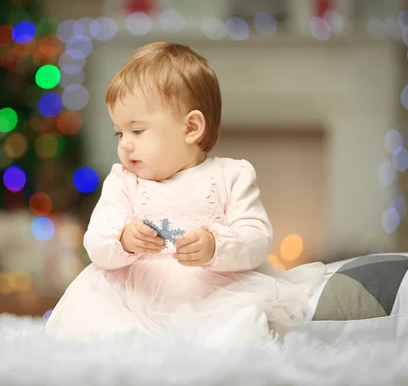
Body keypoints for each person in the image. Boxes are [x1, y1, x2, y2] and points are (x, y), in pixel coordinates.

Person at [45, 42, 326, 347]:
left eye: (137, 131)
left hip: (213, 293)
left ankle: (214, 356)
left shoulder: (231, 176)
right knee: (91, 314)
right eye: (119, 132)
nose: (125, 144)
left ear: (191, 128)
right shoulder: (123, 181)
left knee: (241, 324)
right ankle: (136, 354)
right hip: (136, 295)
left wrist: (217, 245)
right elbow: (96, 242)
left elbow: (256, 238)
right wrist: (124, 239)